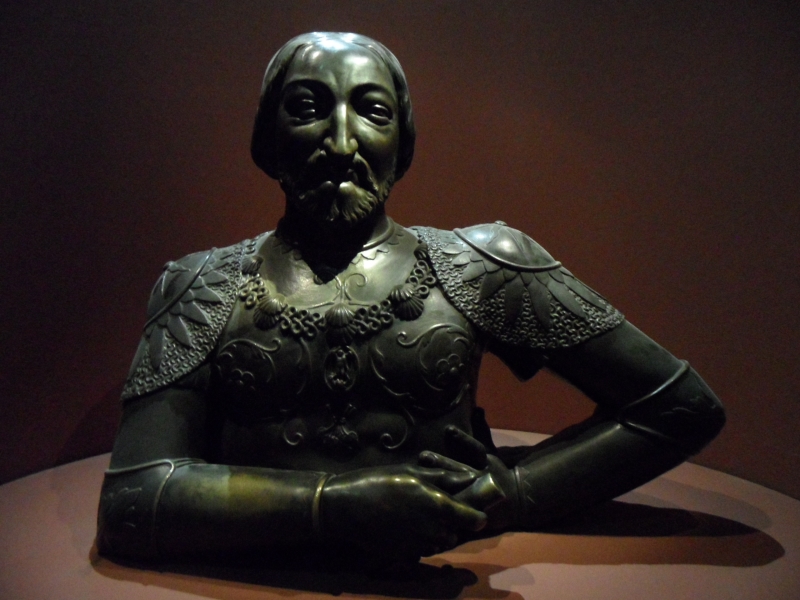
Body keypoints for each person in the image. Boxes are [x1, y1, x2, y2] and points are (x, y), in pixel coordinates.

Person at [97, 32, 725, 565]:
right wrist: (331, 508)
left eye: (373, 111)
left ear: (403, 142)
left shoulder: (481, 265)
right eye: (307, 108)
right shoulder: (202, 284)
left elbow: (681, 407)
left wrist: (517, 492)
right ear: (268, 138)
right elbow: (131, 502)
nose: (341, 142)